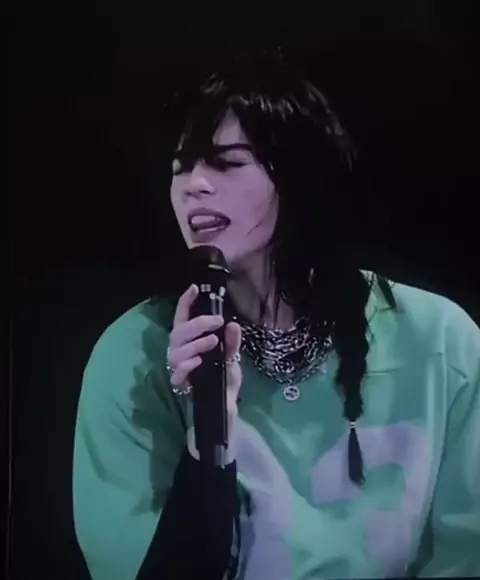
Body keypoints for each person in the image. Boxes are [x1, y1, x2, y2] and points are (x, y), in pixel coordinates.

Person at [72, 50, 480, 580]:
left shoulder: (441, 340)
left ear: (299, 176)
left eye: (227, 162)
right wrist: (209, 441)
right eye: (181, 167)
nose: (194, 184)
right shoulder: (133, 354)